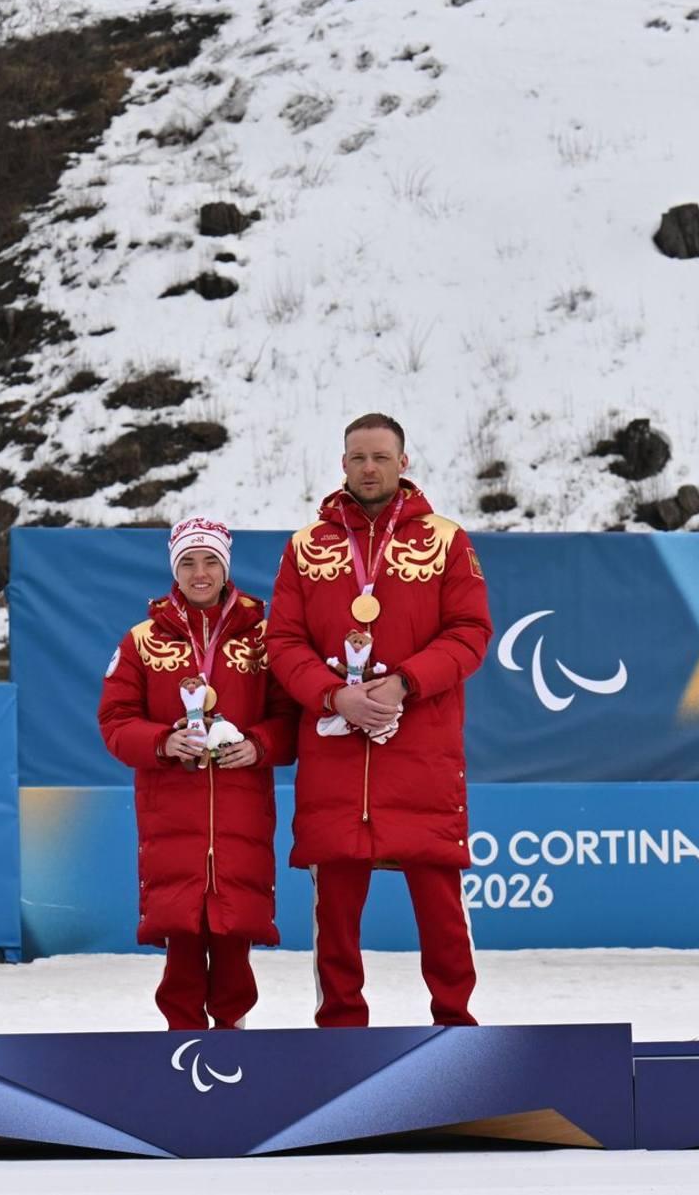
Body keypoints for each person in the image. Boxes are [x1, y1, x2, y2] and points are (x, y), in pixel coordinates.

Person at [266, 413, 493, 1027]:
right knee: (334, 908)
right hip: (335, 753)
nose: (369, 467)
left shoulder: (448, 539)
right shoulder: (305, 546)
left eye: (381, 457)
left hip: (420, 748)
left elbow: (471, 633)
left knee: (440, 902)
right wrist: (332, 695)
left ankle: (455, 1023)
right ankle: (340, 1026)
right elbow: (283, 641)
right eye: (358, 457)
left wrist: (404, 682)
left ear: (403, 462)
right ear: (343, 464)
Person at [98, 516, 297, 1030]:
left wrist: (258, 746)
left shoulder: (266, 637)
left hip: (242, 817)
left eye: (210, 560)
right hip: (172, 821)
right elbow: (115, 722)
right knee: (181, 956)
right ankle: (180, 1052)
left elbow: (291, 720)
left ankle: (234, 1047)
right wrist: (163, 741)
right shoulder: (141, 641)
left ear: (226, 567)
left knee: (234, 949)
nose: (200, 572)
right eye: (188, 561)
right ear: (174, 569)